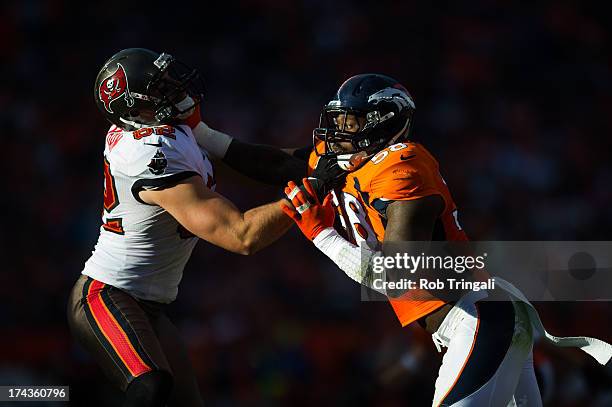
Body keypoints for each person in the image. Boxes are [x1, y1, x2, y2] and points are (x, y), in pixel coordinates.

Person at [278, 74, 611, 406]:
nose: (342, 132)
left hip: (479, 320)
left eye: (353, 122)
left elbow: (397, 276)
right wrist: (222, 145)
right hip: (492, 318)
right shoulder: (365, 173)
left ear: (382, 124)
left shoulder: (400, 166)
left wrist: (321, 234)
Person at [67, 48, 319, 407]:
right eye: (159, 88)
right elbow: (240, 235)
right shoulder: (147, 154)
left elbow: (260, 162)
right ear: (135, 107)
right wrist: (308, 195)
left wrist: (330, 160)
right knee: (150, 389)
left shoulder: (165, 130)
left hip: (149, 305)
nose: (173, 89)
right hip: (106, 296)